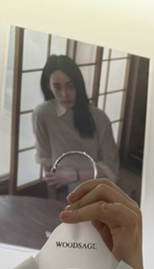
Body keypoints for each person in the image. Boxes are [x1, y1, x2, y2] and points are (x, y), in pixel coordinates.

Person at [32, 54, 119, 198]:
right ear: (48, 86)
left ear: (78, 85)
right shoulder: (43, 114)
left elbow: (112, 169)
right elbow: (46, 160)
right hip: (64, 187)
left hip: (97, 184)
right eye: (57, 87)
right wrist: (51, 201)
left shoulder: (99, 118)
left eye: (70, 86)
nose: (64, 94)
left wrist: (73, 175)